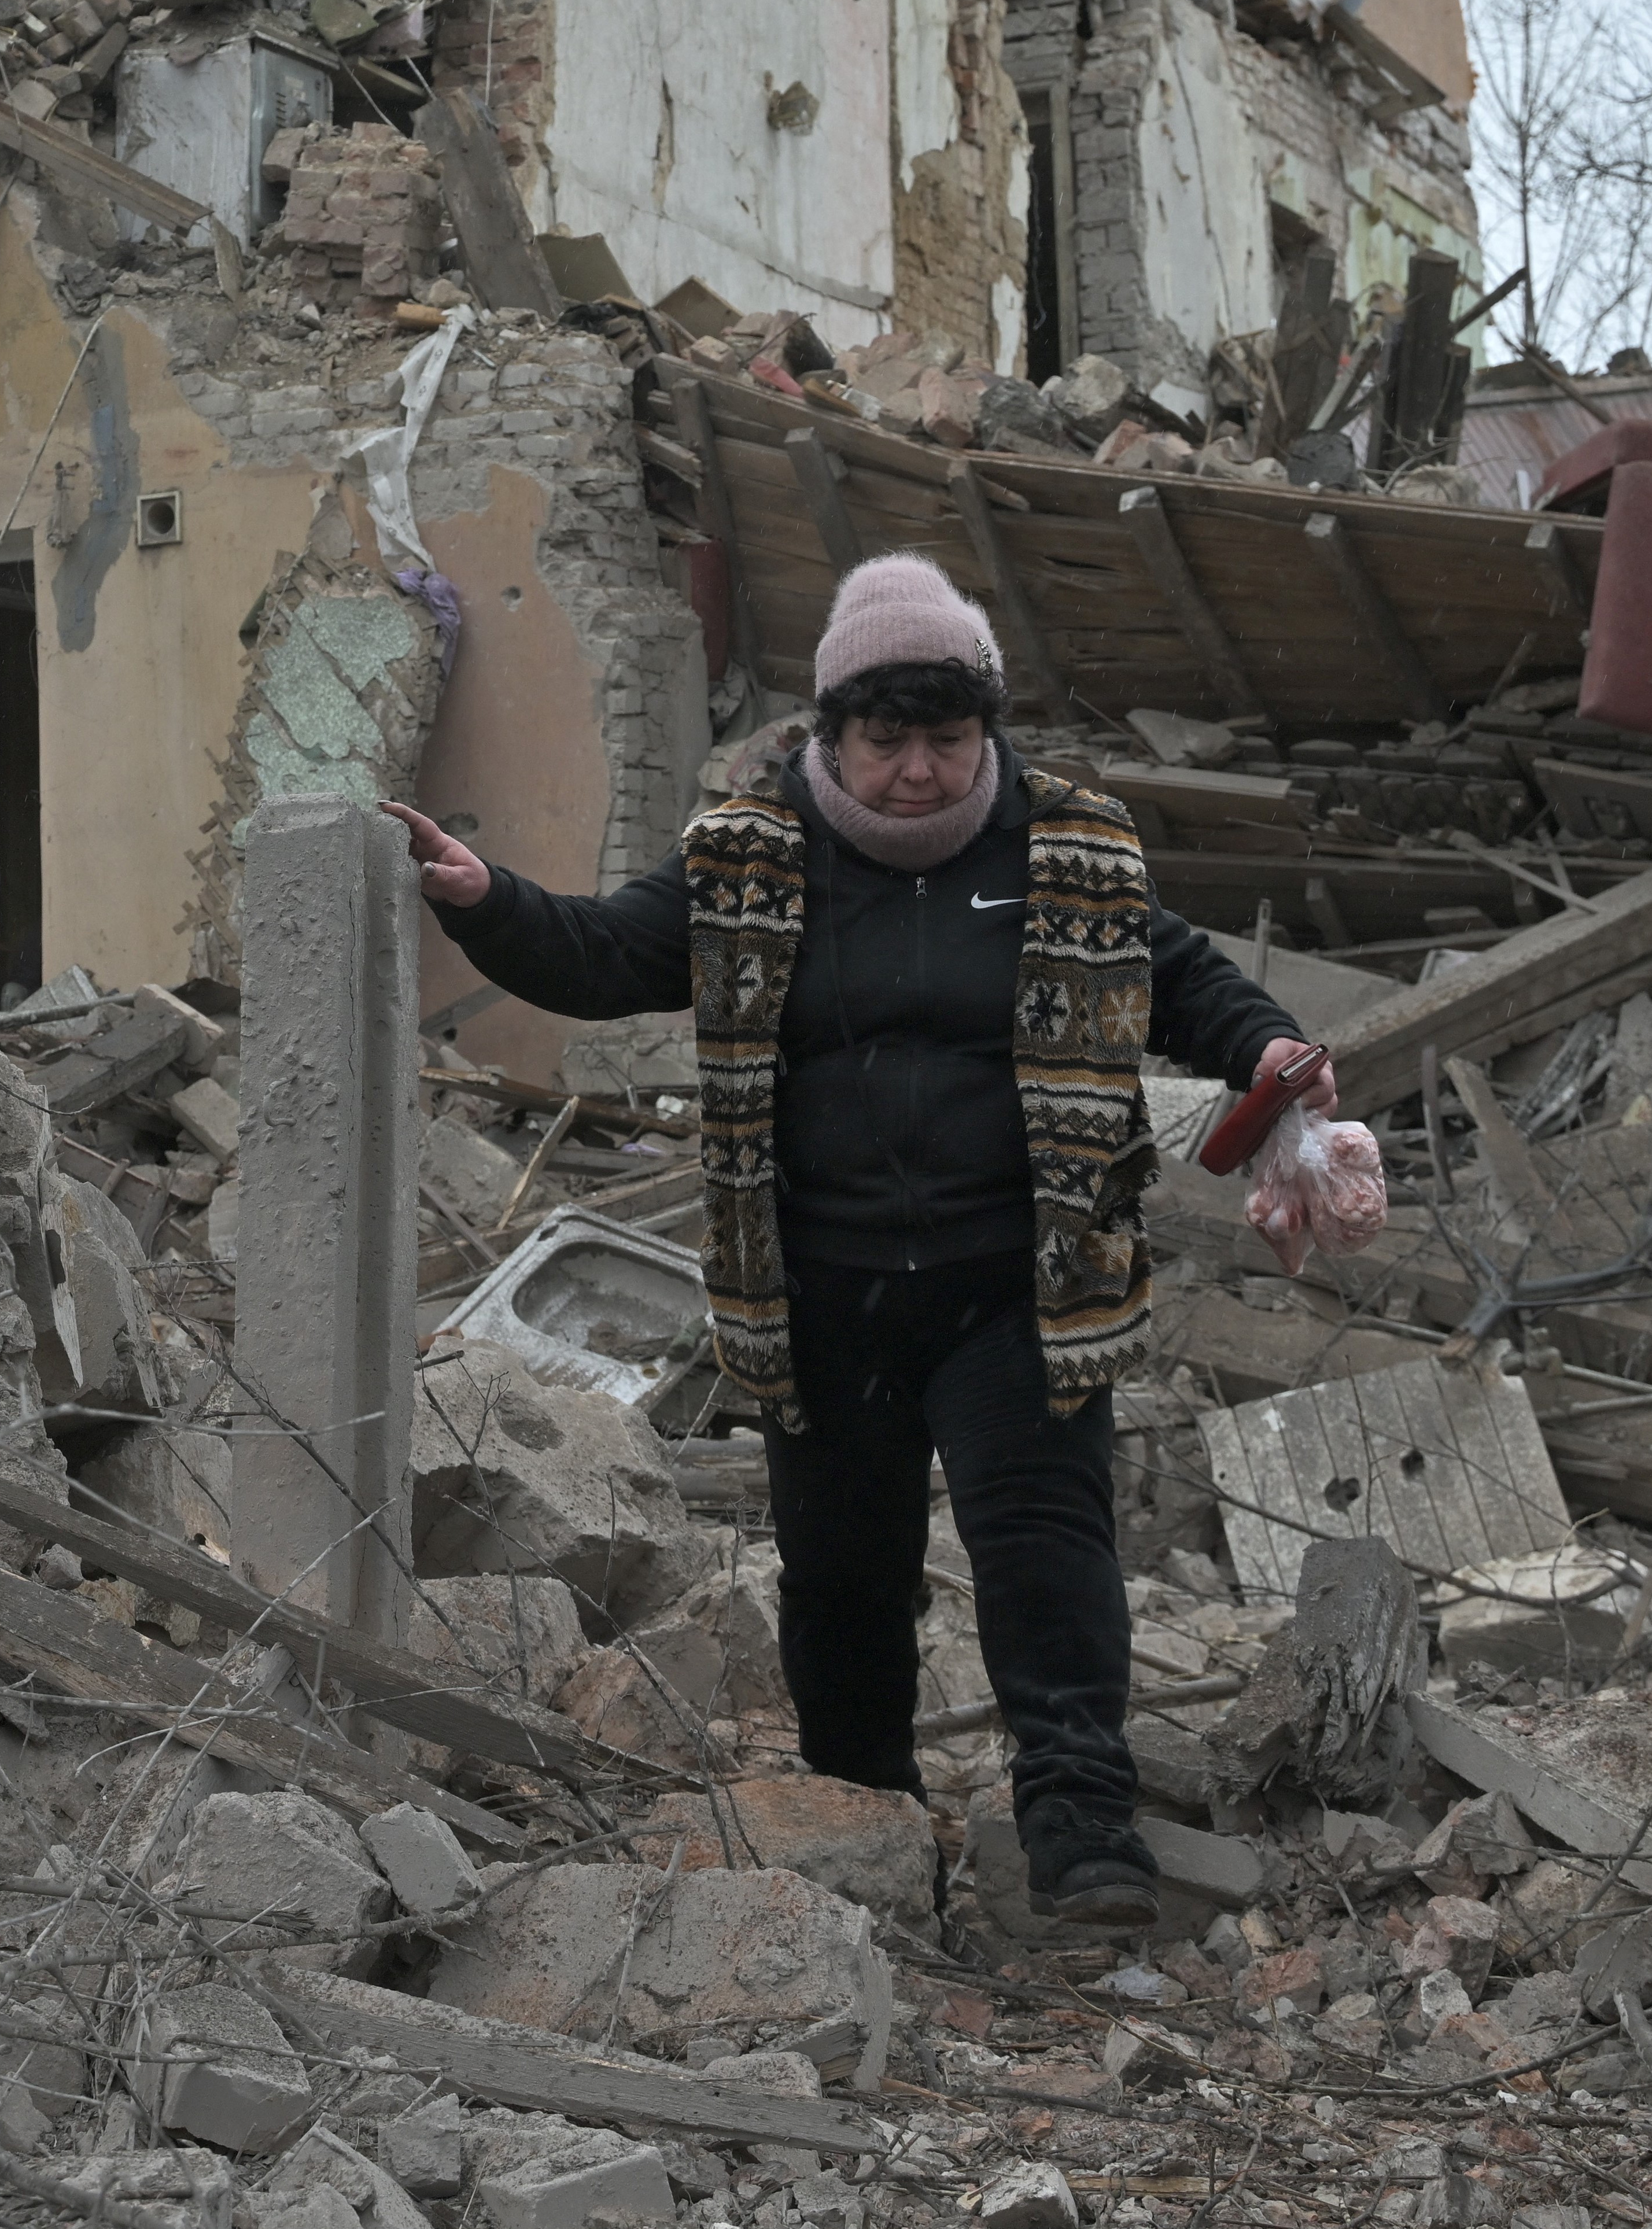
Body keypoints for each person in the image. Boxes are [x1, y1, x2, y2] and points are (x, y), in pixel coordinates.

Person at [381, 553, 1338, 1930]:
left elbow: (1190, 985)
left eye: (946, 740)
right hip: (818, 1292)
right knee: (840, 1575)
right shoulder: (747, 854)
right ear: (830, 732)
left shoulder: (1072, 847)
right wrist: (480, 895)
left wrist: (1275, 1060)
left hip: (1020, 1282)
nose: (915, 773)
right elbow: (598, 956)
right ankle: (865, 1821)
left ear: (985, 732)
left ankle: (1078, 1830)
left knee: (1045, 1550)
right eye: (884, 741)